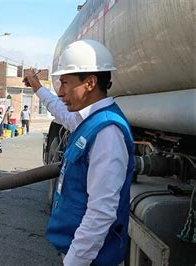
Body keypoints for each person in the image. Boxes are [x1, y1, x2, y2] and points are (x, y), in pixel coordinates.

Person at [24, 39, 134, 266]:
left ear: (90, 83)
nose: (61, 92)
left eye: (65, 83)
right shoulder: (89, 120)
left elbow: (101, 213)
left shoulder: (107, 132)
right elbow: (61, 112)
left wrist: (73, 262)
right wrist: (37, 87)